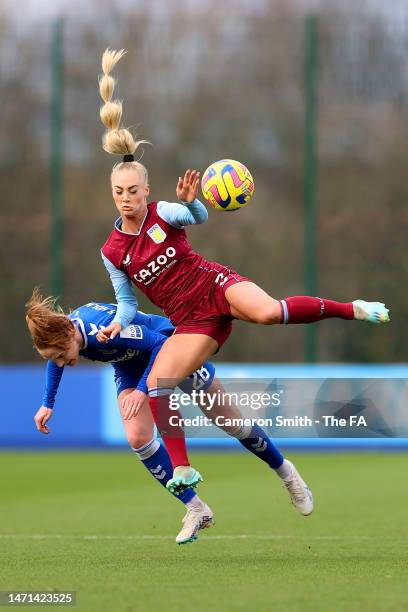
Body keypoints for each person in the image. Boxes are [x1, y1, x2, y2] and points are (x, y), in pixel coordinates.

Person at [96, 49, 389, 487]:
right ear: (113, 192)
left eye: (133, 190)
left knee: (270, 311)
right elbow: (125, 302)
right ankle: (182, 468)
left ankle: (354, 308)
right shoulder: (111, 250)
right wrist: (117, 327)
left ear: (147, 190)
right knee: (158, 385)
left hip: (214, 284)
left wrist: (193, 201)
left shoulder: (164, 213)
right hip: (190, 322)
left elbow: (199, 219)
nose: (126, 197)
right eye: (119, 191)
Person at [26, 290, 314, 544]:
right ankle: (196, 508)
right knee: (138, 437)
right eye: (57, 359)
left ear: (67, 336)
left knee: (231, 423)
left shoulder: (103, 331)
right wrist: (47, 403)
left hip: (174, 348)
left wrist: (143, 390)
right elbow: (55, 359)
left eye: (62, 355)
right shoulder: (67, 334)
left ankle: (287, 473)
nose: (63, 363)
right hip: (130, 365)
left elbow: (159, 346)